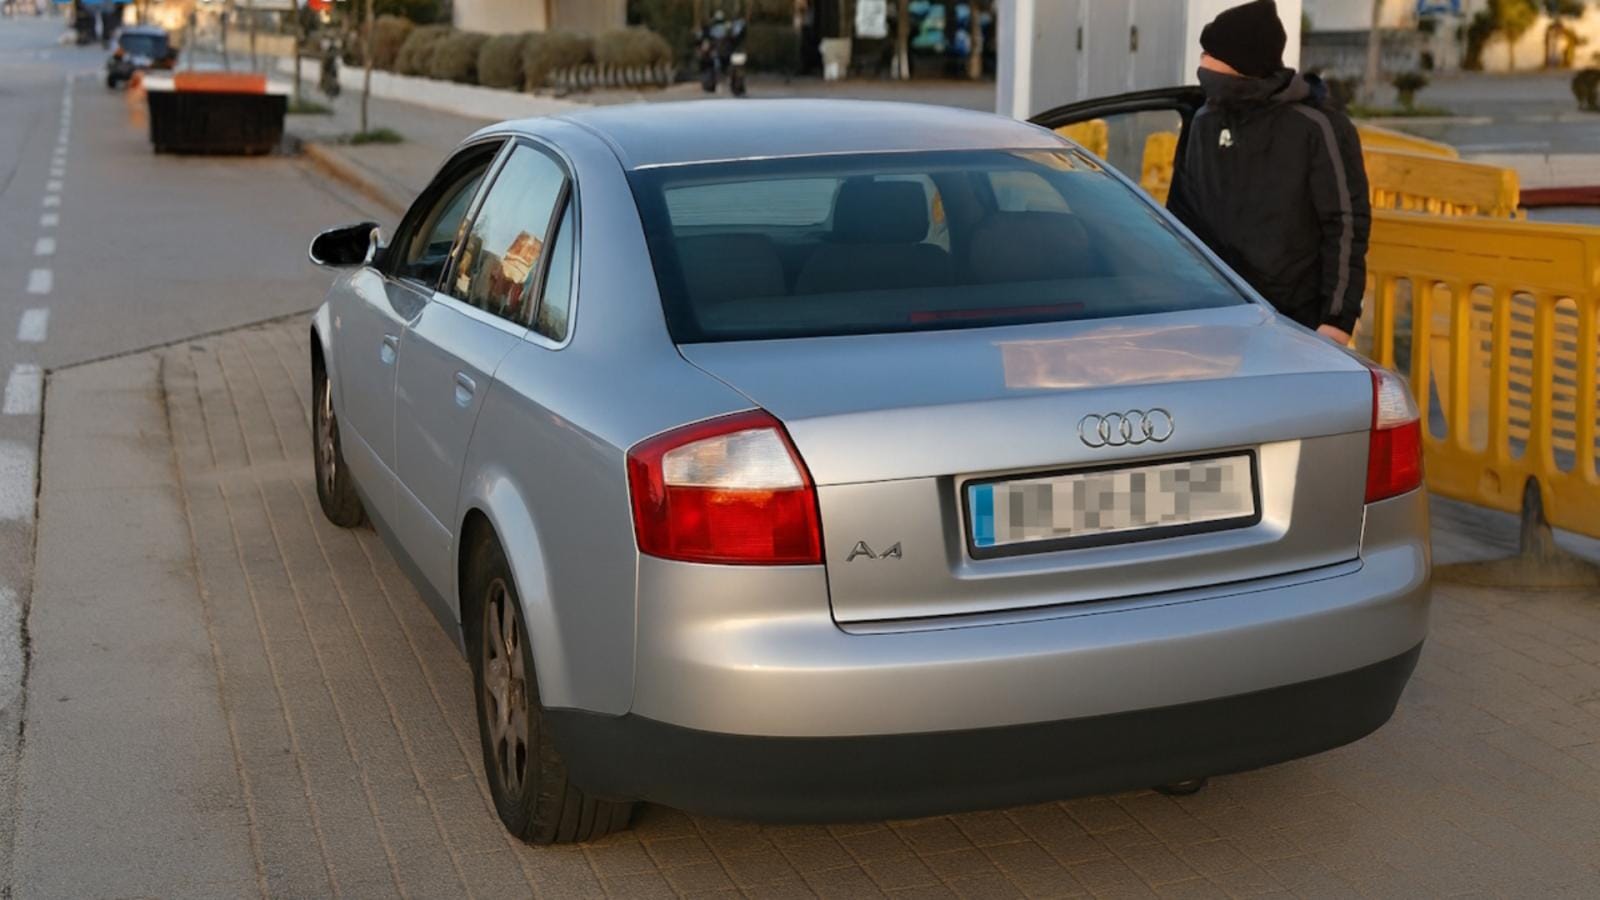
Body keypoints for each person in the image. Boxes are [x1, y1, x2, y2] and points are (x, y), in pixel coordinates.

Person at [1166, 0, 1370, 346]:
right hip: (1216, 317)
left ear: (1242, 62)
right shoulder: (1203, 121)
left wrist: (1337, 320)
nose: (1202, 63)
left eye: (1210, 53)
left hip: (1295, 326)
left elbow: (1346, 224)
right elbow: (1182, 217)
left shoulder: (1316, 127)